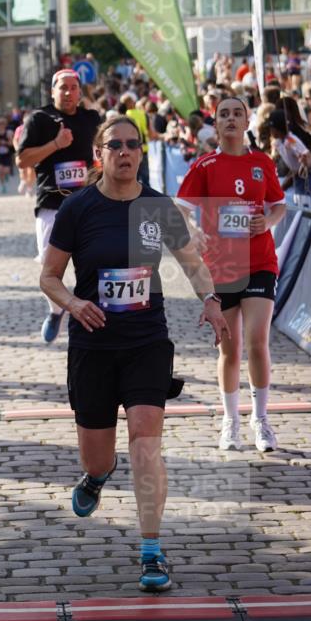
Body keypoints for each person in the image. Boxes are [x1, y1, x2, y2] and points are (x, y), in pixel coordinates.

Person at [40, 116, 228, 592]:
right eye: (114, 145)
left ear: (141, 153)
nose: (125, 152)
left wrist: (210, 301)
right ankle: (97, 477)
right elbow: (49, 277)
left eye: (132, 145)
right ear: (99, 155)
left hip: (147, 339)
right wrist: (74, 303)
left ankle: (151, 551)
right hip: (93, 345)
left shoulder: (157, 205)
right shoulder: (78, 208)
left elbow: (191, 262)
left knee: (146, 443)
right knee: (98, 456)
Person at [176, 96, 287, 453]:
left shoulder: (261, 163)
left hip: (259, 262)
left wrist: (266, 221)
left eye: (237, 113)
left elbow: (280, 204)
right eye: (224, 114)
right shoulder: (205, 165)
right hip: (221, 266)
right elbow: (179, 209)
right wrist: (192, 230)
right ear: (217, 122)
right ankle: (230, 421)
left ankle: (261, 419)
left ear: (247, 121)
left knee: (257, 340)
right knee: (230, 349)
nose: (231, 119)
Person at [16, 68, 100, 342]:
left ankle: (92, 314)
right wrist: (56, 143)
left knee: (93, 261)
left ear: (80, 91)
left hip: (86, 203)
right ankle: (55, 311)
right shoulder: (39, 119)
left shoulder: (91, 119)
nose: (68, 92)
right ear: (52, 91)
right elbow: (23, 160)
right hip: (52, 202)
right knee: (48, 266)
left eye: (73, 87)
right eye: (62, 87)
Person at [0, 116, 14, 193]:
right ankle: (3, 186)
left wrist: (5, 142)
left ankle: (6, 176)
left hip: (7, 154)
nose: (0, 125)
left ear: (5, 125)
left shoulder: (8, 132)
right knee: (0, 171)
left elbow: (11, 143)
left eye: (2, 124)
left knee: (6, 170)